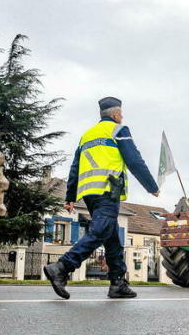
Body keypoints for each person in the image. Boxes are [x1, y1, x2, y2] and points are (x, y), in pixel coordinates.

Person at [45, 96, 160, 299]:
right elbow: (134, 160)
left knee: (112, 235)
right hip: (108, 190)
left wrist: (70, 196)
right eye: (121, 114)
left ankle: (118, 283)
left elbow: (75, 167)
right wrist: (151, 186)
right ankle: (63, 266)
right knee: (100, 231)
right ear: (116, 114)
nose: (122, 117)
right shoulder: (118, 130)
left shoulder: (87, 135)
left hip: (88, 194)